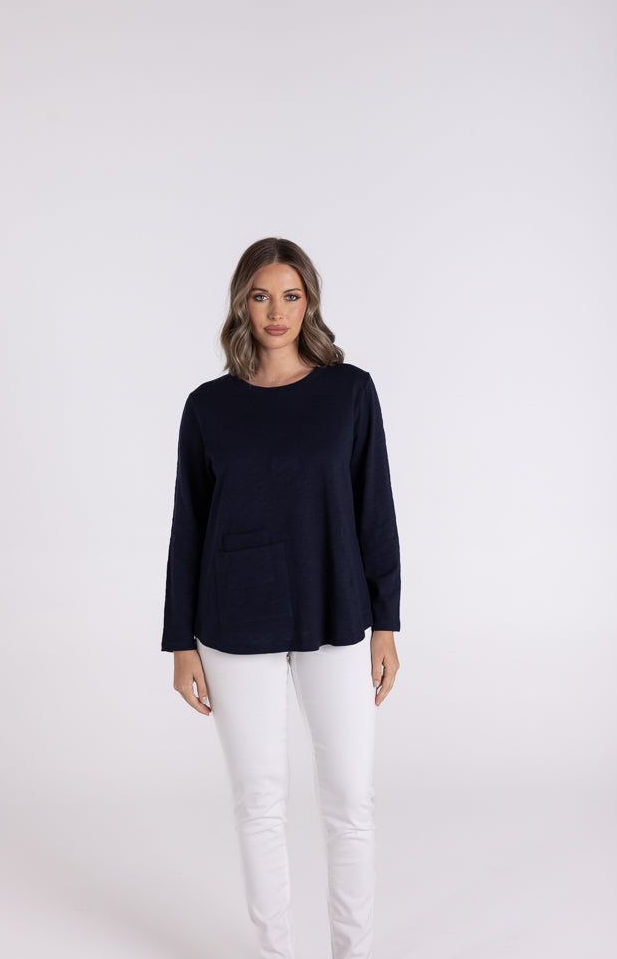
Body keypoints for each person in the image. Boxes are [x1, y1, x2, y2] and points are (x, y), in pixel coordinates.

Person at [161, 236, 401, 959]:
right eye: (261, 296)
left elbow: (375, 510)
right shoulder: (209, 406)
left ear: (309, 304)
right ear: (242, 303)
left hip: (336, 610)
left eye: (290, 296)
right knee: (259, 802)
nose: (275, 311)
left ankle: (352, 951)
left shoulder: (349, 392)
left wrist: (385, 625)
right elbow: (188, 524)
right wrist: (179, 642)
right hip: (233, 619)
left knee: (350, 800)